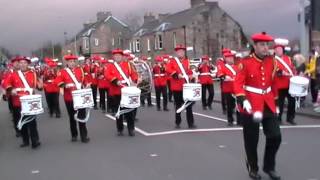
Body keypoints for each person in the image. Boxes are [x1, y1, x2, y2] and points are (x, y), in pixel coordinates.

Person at [234, 32, 282, 180]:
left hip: (267, 103)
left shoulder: (272, 62)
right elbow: (238, 83)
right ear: (255, 46)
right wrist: (243, 99)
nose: (265, 48)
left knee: (275, 136)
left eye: (267, 45)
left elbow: (273, 83)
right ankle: (253, 167)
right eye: (262, 45)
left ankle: (269, 167)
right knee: (251, 139)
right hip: (251, 104)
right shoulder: (245, 62)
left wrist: (276, 103)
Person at [2, 56, 42, 149]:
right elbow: (6, 83)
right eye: (21, 63)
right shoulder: (13, 74)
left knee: (32, 122)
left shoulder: (33, 74)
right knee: (22, 122)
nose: (23, 64)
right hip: (18, 102)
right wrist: (11, 89)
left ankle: (35, 140)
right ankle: (25, 140)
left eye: (25, 63)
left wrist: (40, 86)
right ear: (18, 64)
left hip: (30, 101)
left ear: (28, 64)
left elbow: (38, 85)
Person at [55, 54, 90, 143]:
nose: (72, 63)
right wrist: (64, 85)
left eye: (74, 61)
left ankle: (83, 136)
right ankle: (74, 135)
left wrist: (86, 85)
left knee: (82, 116)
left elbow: (84, 80)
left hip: (80, 97)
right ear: (67, 62)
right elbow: (57, 81)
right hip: (69, 98)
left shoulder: (80, 70)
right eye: (70, 62)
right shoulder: (63, 72)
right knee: (72, 117)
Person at [105, 49, 139, 136]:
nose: (117, 57)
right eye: (116, 56)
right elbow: (107, 75)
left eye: (119, 56)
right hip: (116, 91)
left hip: (127, 91)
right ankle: (120, 129)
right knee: (118, 111)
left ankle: (131, 129)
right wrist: (115, 81)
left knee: (129, 111)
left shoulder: (127, 64)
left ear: (122, 56)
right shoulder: (110, 66)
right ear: (113, 57)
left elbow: (134, 74)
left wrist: (134, 80)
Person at [166, 44, 196, 129]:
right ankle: (178, 122)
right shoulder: (172, 61)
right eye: (179, 51)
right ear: (176, 52)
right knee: (178, 105)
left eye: (182, 51)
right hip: (176, 87)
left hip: (186, 87)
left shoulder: (187, 61)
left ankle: (191, 123)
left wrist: (191, 75)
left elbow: (189, 70)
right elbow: (168, 69)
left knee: (188, 105)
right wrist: (176, 74)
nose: (181, 53)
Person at [273, 38, 297, 125]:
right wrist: (281, 72)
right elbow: (273, 70)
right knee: (280, 104)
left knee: (292, 102)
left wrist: (296, 73)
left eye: (279, 49)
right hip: (279, 85)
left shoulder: (289, 59)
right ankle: (278, 118)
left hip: (289, 84)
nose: (278, 51)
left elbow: (292, 68)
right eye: (276, 49)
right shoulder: (273, 60)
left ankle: (290, 118)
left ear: (283, 50)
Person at [217, 52, 241, 126]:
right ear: (226, 59)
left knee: (239, 106)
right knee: (230, 106)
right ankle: (230, 120)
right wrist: (225, 77)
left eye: (232, 58)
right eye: (229, 58)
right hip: (228, 89)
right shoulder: (223, 67)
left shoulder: (237, 67)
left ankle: (240, 120)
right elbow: (220, 74)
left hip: (237, 89)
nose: (231, 59)